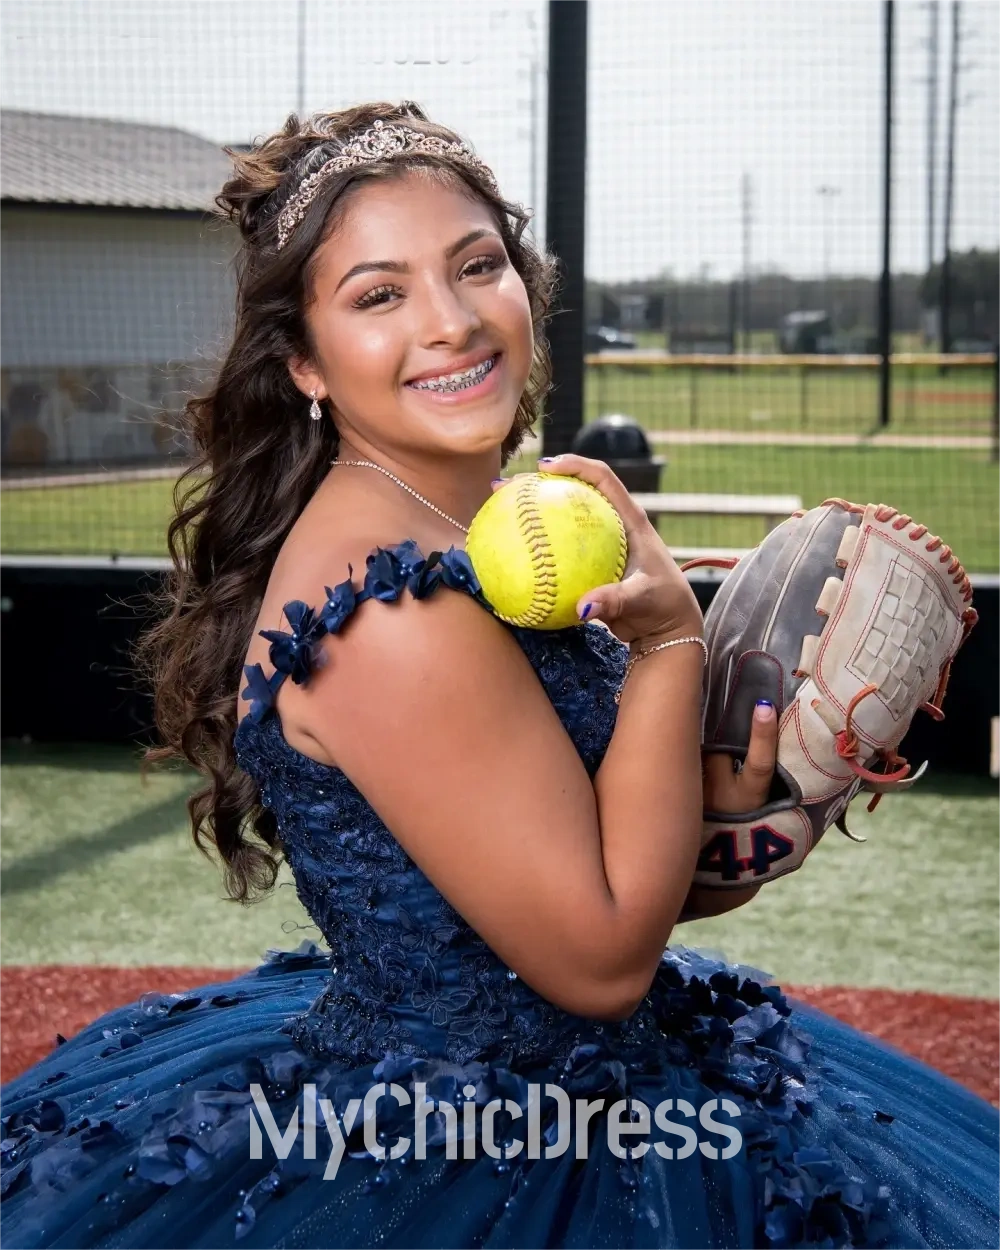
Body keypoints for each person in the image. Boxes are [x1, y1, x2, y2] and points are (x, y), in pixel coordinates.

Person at [1, 101, 998, 1250]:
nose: (451, 320)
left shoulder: (473, 520)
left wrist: (725, 823)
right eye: (379, 294)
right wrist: (674, 645)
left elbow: (572, 864)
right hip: (481, 1141)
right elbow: (598, 960)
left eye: (478, 265)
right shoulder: (393, 610)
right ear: (306, 364)